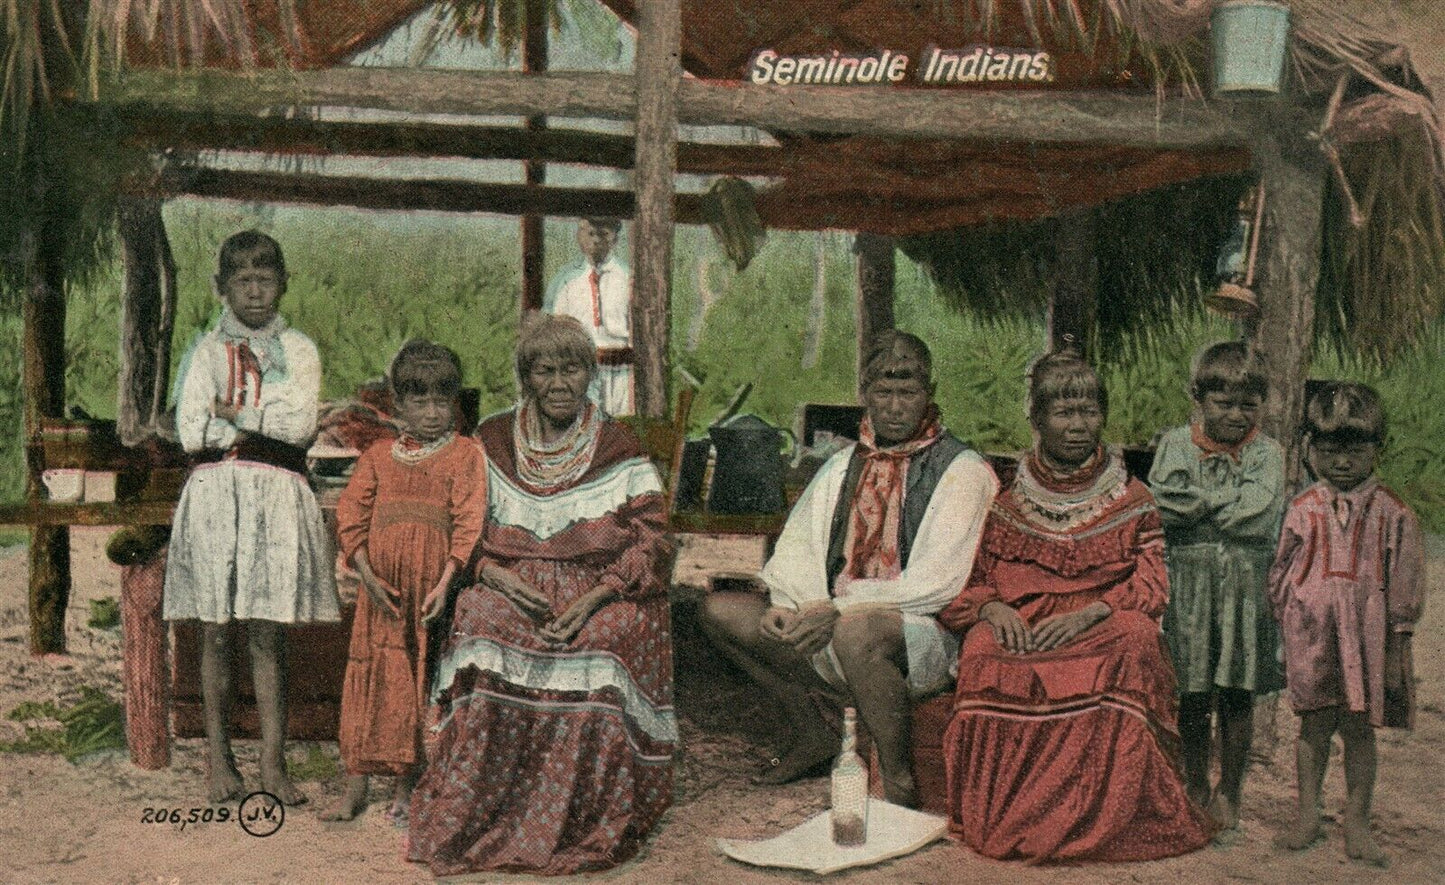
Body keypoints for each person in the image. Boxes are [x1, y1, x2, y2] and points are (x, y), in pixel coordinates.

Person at [406, 314, 675, 876]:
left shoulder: (619, 445)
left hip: (599, 585)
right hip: (509, 580)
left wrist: (596, 598)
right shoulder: (492, 439)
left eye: (571, 369)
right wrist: (492, 574)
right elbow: (457, 523)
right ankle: (484, 809)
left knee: (605, 642)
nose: (558, 383)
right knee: (480, 625)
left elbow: (653, 541)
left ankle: (579, 817)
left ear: (589, 374)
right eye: (544, 370)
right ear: (526, 377)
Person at [700, 331, 997, 808]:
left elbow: (941, 583)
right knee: (721, 611)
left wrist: (837, 610)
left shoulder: (962, 470)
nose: (895, 407)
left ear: (930, 393)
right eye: (884, 392)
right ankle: (812, 731)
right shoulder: (843, 464)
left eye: (908, 393)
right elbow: (800, 546)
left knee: (855, 633)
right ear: (864, 394)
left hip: (921, 632)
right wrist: (788, 605)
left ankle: (897, 781)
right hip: (832, 620)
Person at [939, 352, 1213, 862]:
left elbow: (1152, 585)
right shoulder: (1007, 502)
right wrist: (993, 611)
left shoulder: (1133, 498)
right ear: (1038, 419)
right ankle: (1011, 818)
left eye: (1089, 412)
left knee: (1136, 638)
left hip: (1101, 621)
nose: (1078, 425)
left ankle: (1101, 819)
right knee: (981, 652)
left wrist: (1090, 614)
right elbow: (974, 582)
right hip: (1025, 623)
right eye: (1064, 413)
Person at [163, 230, 340, 805]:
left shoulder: (300, 351)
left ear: (283, 284)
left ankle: (272, 761)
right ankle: (218, 758)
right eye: (243, 281)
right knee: (215, 629)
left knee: (268, 631)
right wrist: (256, 423)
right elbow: (193, 432)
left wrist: (235, 415)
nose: (256, 292)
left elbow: (300, 427)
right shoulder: (205, 353)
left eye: (266, 280)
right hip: (217, 495)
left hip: (278, 496)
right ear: (222, 287)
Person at [321, 341, 488, 824]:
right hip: (382, 592)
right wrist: (368, 577)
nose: (432, 412)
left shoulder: (465, 455)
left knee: (417, 678)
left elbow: (469, 522)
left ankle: (406, 785)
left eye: (442, 401)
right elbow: (352, 516)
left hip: (430, 591)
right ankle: (355, 787)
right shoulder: (378, 455)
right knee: (372, 678)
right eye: (420, 401)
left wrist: (446, 582)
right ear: (398, 405)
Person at [1270, 382, 1423, 866]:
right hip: (1313, 636)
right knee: (1313, 726)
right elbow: (1281, 575)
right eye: (1329, 450)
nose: (1341, 462)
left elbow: (1405, 583)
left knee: (1359, 730)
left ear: (1377, 449)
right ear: (1311, 449)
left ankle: (1357, 823)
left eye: (1354, 451)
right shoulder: (1302, 508)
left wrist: (1397, 644)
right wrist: (1289, 630)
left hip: (1366, 639)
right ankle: (1307, 816)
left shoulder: (1393, 512)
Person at [1148, 341, 1286, 830]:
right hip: (1189, 586)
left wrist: (1199, 503)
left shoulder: (1269, 454)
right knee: (1192, 692)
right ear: (1198, 398)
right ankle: (1195, 781)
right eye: (1223, 403)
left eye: (1249, 404)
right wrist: (1222, 499)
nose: (1236, 415)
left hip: (1244, 588)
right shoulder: (1175, 444)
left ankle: (1230, 789)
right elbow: (1163, 505)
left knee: (1236, 691)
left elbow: (1256, 515)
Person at [543, 217, 634, 415]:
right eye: (590, 233)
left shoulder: (628, 278)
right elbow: (556, 329)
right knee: (585, 421)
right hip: (581, 370)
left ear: (615, 238)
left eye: (604, 234)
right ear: (580, 236)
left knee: (622, 423)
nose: (596, 240)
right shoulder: (566, 280)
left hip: (622, 371)